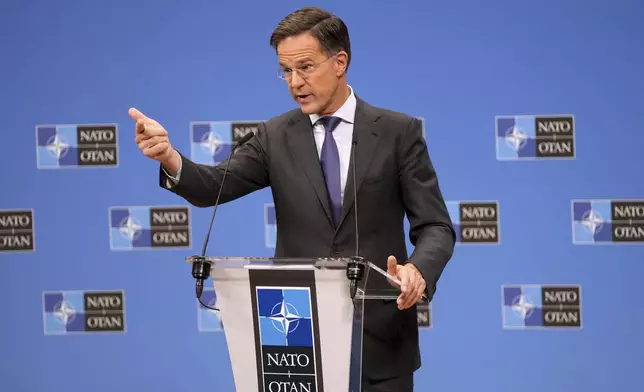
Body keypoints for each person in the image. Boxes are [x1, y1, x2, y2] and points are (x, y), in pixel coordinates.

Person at [129, 6, 455, 391]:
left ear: (339, 62)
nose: (294, 81)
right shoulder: (273, 136)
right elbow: (211, 186)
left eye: (305, 67)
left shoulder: (399, 133)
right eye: (285, 70)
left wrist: (417, 270)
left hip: (380, 339)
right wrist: (169, 157)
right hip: (294, 340)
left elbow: (436, 226)